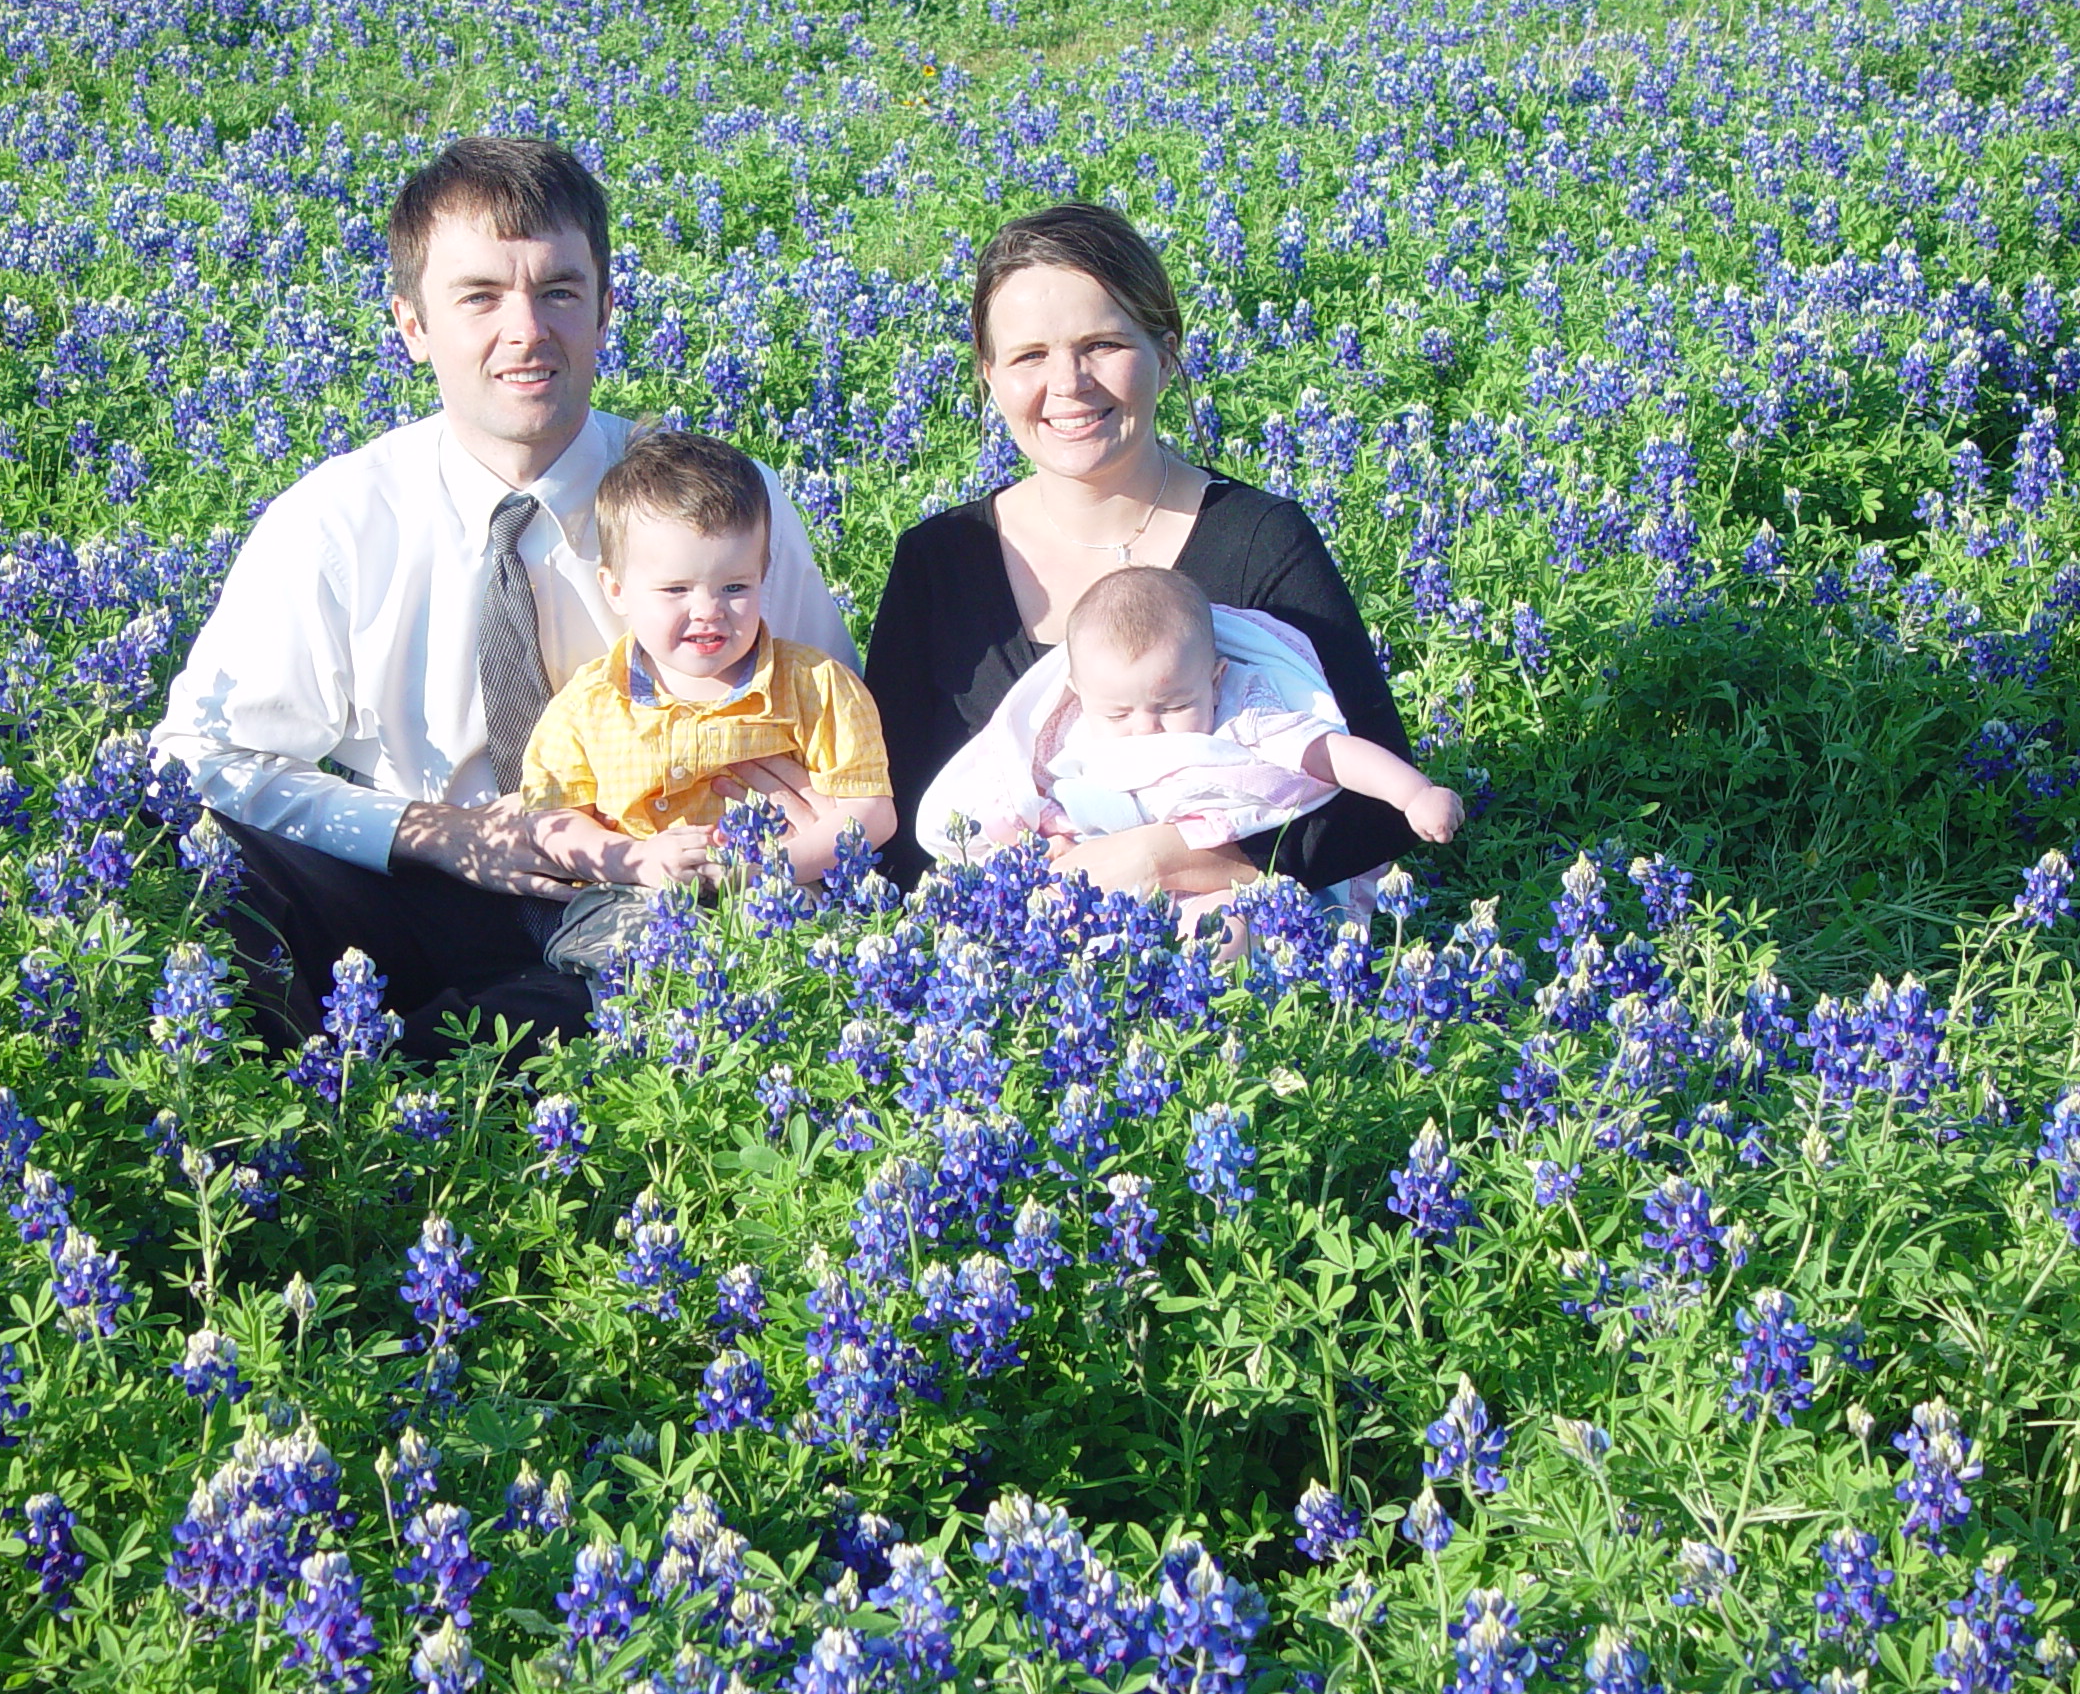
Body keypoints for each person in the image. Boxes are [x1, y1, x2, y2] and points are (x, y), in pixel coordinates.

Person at [151, 139, 857, 1059]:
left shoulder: (722, 503)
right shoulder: (335, 519)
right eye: (479, 296)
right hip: (411, 877)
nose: (525, 329)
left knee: (552, 1022)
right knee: (221, 865)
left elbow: (834, 727)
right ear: (412, 325)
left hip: (650, 897)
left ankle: (444, 1076)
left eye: (559, 290)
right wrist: (422, 830)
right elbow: (195, 756)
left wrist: (743, 851)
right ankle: (300, 1125)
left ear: (606, 310)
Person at [863, 201, 1420, 903]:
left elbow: (1375, 810)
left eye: (1102, 344)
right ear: (990, 375)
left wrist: (1162, 856)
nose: (1068, 383)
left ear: (1164, 352)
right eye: (1030, 355)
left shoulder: (1261, 538)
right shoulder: (938, 562)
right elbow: (893, 826)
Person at [916, 565, 1459, 939]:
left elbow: (1330, 753)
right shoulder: (1072, 733)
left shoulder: (1244, 712)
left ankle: (1197, 1019)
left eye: (1172, 705)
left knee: (1226, 930)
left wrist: (1413, 793)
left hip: (1213, 887)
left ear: (1216, 679)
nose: (1147, 729)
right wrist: (1050, 843)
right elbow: (1038, 799)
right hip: (1101, 896)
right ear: (1077, 695)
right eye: (1120, 714)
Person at [520, 430, 893, 965]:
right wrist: (636, 858)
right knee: (636, 958)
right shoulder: (589, 704)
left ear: (763, 575)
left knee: (820, 952)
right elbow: (550, 819)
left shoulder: (817, 685)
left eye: (734, 587)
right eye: (676, 589)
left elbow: (870, 812)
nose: (708, 610)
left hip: (785, 882)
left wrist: (778, 866)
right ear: (616, 589)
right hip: (637, 893)